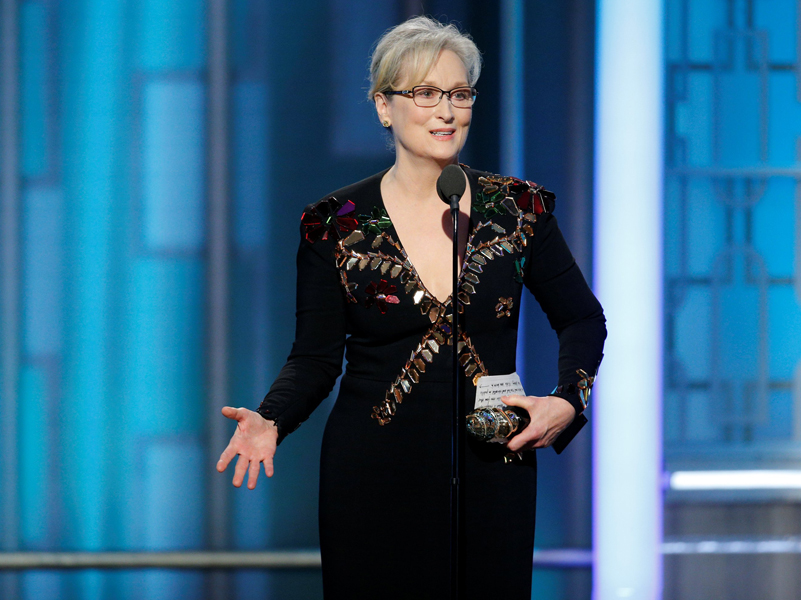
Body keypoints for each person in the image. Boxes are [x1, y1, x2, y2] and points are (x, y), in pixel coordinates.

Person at [216, 15, 605, 599]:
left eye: (459, 94)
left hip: (493, 466)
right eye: (425, 93)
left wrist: (567, 402)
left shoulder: (518, 211)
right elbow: (315, 358)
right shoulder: (335, 226)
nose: (446, 111)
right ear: (384, 106)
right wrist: (273, 417)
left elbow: (582, 318)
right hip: (372, 474)